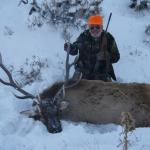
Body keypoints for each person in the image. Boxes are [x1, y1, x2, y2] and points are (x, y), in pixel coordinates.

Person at [64, 15, 120, 81]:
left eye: (97, 27)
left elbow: (116, 57)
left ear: (101, 27)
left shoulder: (109, 38)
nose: (95, 29)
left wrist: (106, 56)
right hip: (83, 72)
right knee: (72, 89)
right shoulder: (84, 36)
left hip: (102, 73)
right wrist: (70, 48)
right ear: (89, 28)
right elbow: (76, 49)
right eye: (92, 27)